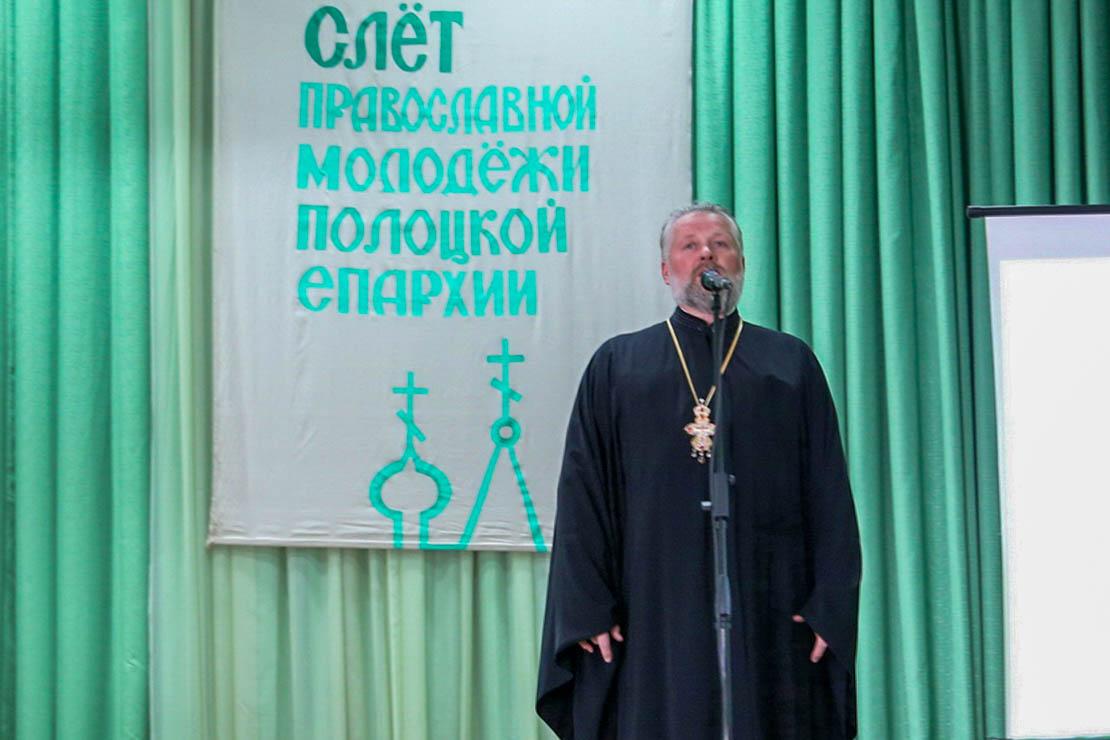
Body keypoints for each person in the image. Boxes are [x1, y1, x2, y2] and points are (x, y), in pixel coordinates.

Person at [536, 203, 861, 739]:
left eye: (721, 244)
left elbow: (828, 491)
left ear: (741, 264)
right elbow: (582, 495)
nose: (707, 253)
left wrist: (830, 602)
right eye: (690, 246)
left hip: (768, 600)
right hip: (650, 606)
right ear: (666, 270)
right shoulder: (618, 366)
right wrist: (587, 606)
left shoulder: (788, 364)